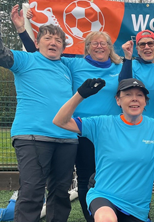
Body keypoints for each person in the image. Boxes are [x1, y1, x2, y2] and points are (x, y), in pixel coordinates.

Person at [11, 6, 124, 221]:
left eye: (104, 43)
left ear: (110, 47)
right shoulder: (71, 64)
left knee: (108, 177)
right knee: (82, 180)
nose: (99, 46)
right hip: (79, 130)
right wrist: (22, 31)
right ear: (87, 47)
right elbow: (39, 58)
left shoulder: (123, 66)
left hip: (110, 132)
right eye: (93, 43)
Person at [53, 78, 154, 222]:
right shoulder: (102, 123)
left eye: (139, 95)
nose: (134, 99)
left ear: (145, 101)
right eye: (128, 94)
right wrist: (80, 95)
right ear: (118, 100)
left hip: (137, 209)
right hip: (104, 197)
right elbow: (60, 121)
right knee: (106, 219)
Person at [0, 12, 77, 221]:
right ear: (37, 42)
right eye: (48, 38)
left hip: (67, 139)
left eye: (58, 40)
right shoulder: (25, 59)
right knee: (32, 192)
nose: (53, 42)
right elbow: (2, 54)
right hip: (32, 137)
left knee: (61, 193)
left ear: (63, 46)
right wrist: (17, 28)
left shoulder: (67, 67)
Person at [119, 30, 154, 208]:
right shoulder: (132, 66)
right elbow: (123, 84)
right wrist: (127, 57)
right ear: (138, 48)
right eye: (142, 44)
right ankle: (138, 215)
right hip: (138, 129)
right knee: (139, 175)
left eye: (151, 43)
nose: (147, 47)